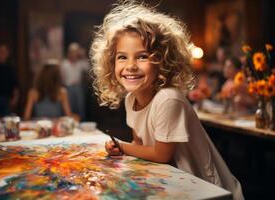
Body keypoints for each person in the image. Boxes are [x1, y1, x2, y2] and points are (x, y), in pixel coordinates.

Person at [90, 2, 244, 200]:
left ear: (163, 61)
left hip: (205, 188)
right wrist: (123, 148)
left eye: (142, 56)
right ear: (111, 63)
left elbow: (162, 154)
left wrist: (121, 146)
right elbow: (140, 144)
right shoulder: (131, 100)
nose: (130, 66)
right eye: (122, 57)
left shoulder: (168, 99)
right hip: (170, 182)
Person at [60, 43, 89, 120]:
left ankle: (81, 123)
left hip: (78, 87)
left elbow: (88, 67)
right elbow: (61, 77)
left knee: (80, 107)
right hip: (68, 88)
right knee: (69, 107)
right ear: (69, 53)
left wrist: (83, 56)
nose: (74, 54)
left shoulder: (80, 63)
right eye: (73, 52)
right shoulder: (64, 63)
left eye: (76, 52)